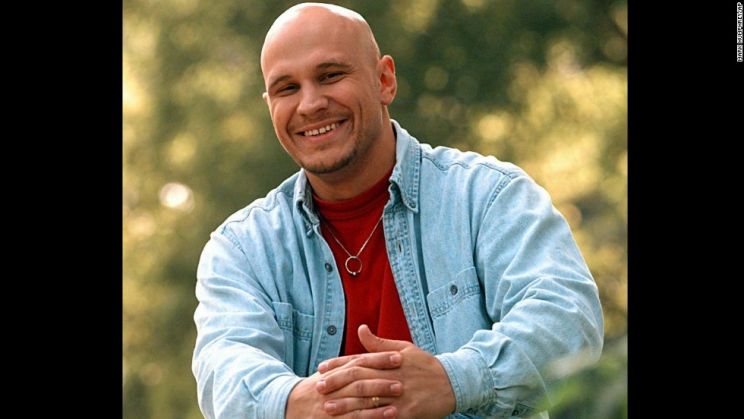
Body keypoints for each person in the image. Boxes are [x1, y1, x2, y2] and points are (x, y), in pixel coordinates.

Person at [192, 3, 604, 418]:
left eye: (330, 75)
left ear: (384, 80)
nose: (310, 104)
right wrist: (297, 402)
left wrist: (453, 380)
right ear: (269, 105)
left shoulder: (489, 196)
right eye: (287, 88)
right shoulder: (242, 249)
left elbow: (568, 318)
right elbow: (223, 368)